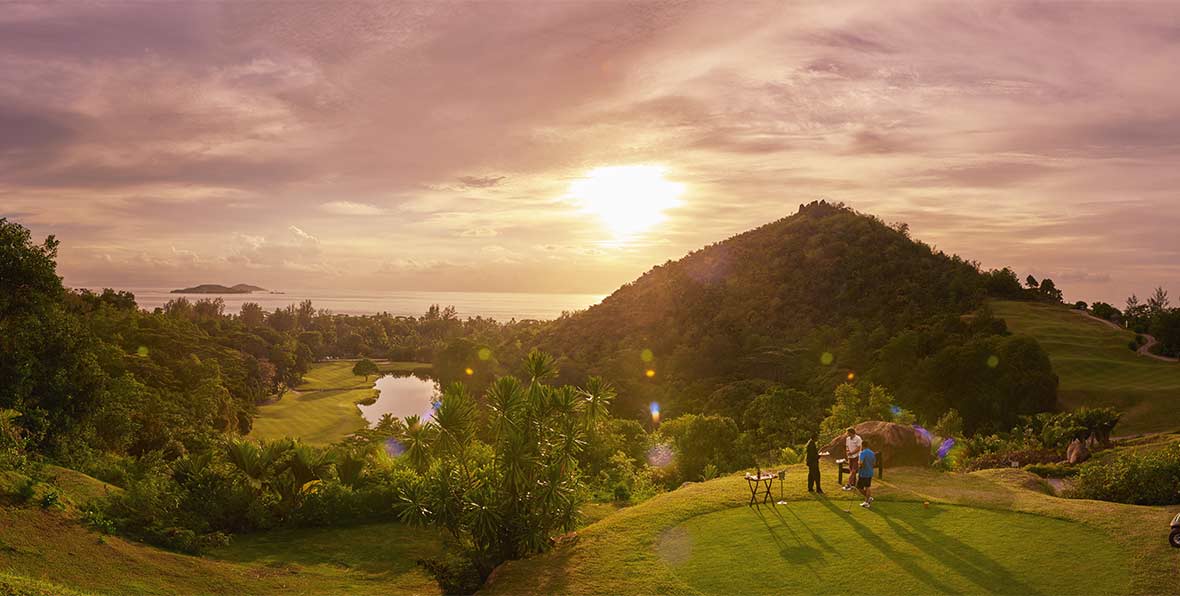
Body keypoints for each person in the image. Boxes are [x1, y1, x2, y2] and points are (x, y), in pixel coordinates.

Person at [856, 441, 876, 508]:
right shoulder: (872, 453)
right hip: (870, 472)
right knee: (867, 486)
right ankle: (869, 499)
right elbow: (874, 463)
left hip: (863, 473)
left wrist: (859, 466)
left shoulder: (862, 453)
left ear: (862, 445)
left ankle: (867, 502)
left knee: (860, 487)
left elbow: (860, 463)